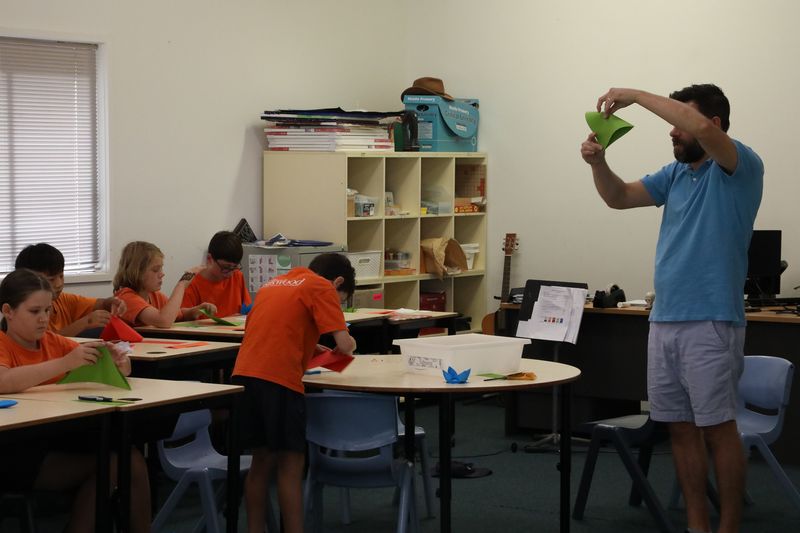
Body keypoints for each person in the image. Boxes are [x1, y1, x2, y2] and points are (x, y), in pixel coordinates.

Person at [581, 84, 763, 533]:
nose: (672, 132)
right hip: (664, 321)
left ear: (714, 125)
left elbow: (699, 127)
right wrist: (599, 163)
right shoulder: (676, 174)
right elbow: (619, 197)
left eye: (679, 123)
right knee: (679, 428)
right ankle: (697, 526)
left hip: (711, 321)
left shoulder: (740, 164)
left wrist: (636, 96)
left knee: (718, 428)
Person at [0, 268, 151, 533]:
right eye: (34, 311)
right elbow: (4, 381)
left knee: (128, 458)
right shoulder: (3, 343)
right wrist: (65, 363)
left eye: (48, 310)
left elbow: (107, 365)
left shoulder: (53, 342)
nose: (43, 319)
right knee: (116, 462)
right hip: (16, 452)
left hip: (54, 438)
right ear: (8, 311)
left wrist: (118, 362)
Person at [232, 253, 357, 533]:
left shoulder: (275, 283)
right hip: (279, 382)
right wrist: (349, 345)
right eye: (341, 300)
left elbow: (272, 331)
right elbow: (344, 345)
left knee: (260, 462)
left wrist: (310, 347)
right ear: (337, 282)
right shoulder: (322, 286)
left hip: (246, 376)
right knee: (291, 466)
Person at [14, 243, 127, 336]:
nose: (59, 284)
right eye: (51, 279)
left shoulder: (62, 300)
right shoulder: (23, 312)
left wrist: (111, 303)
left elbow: (100, 304)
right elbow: (43, 344)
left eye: (61, 276)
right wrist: (85, 322)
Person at [112, 241, 216, 327]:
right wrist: (181, 284)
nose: (162, 274)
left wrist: (195, 311)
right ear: (137, 272)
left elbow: (177, 314)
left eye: (161, 268)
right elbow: (164, 321)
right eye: (155, 270)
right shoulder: (126, 298)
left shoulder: (154, 295)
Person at [181, 230, 252, 317]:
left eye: (234, 267)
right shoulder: (192, 283)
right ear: (209, 259)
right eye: (225, 267)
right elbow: (181, 317)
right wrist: (195, 311)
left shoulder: (237, 275)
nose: (230, 274)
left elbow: (247, 309)